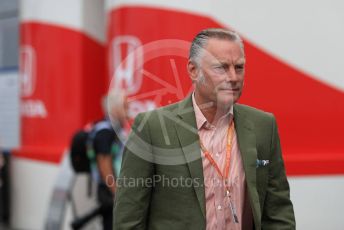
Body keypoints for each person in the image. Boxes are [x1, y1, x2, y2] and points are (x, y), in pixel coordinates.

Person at [113, 28, 295, 230]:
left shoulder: (263, 125)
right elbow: (128, 219)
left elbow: (278, 211)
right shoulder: (152, 128)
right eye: (221, 68)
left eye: (239, 67)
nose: (233, 77)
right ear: (193, 70)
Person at [90, 89, 128, 230]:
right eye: (125, 106)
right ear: (114, 109)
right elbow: (104, 165)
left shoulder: (115, 130)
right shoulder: (104, 132)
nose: (128, 111)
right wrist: (116, 192)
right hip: (109, 190)